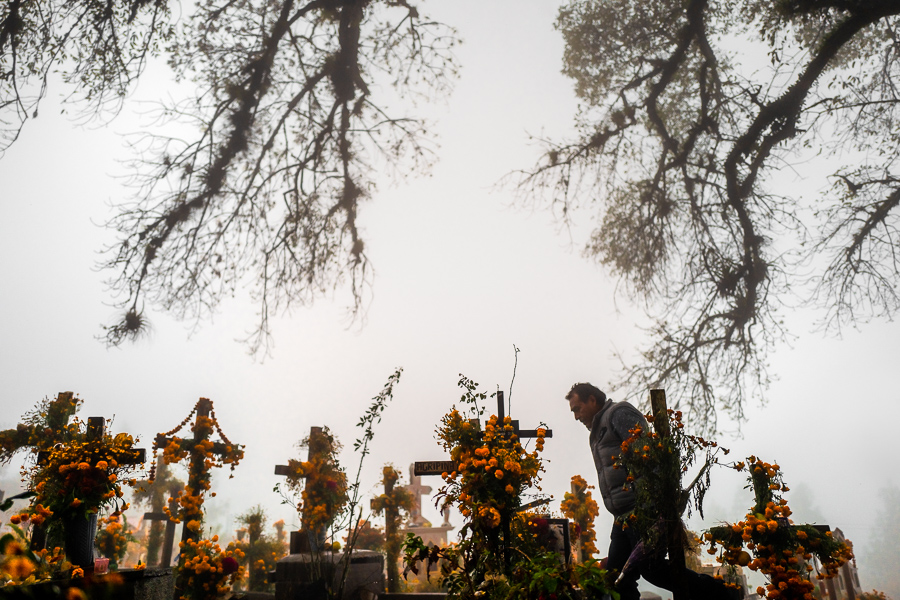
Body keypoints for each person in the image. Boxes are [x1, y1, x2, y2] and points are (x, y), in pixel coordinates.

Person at [566, 382, 739, 600]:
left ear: (592, 399)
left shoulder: (617, 414)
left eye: (577, 408)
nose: (576, 416)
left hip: (641, 510)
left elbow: (647, 455)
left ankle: (721, 594)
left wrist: (652, 503)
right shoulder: (599, 429)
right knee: (616, 576)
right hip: (622, 516)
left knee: (652, 568)